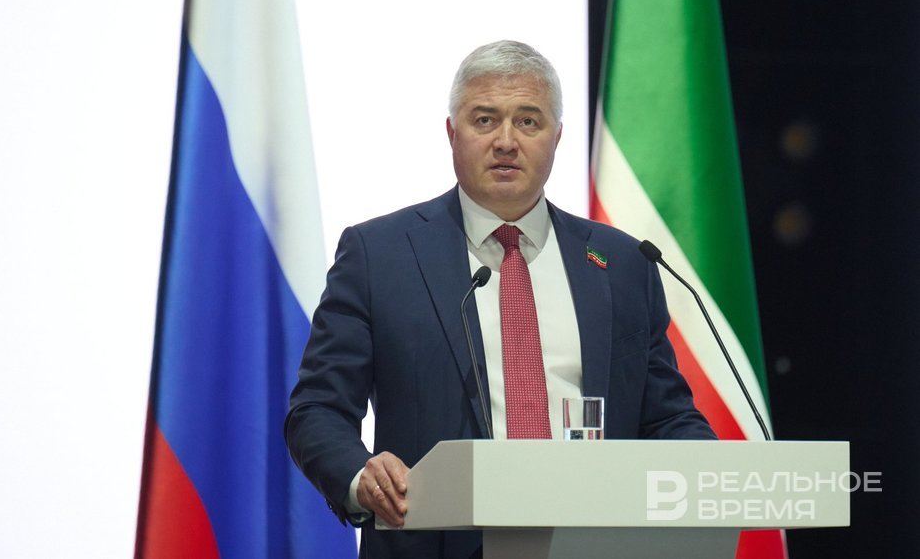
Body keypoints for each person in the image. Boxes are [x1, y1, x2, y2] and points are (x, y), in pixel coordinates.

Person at [285, 40, 715, 558]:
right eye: (485, 120)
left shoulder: (621, 263)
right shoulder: (379, 255)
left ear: (557, 137)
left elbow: (666, 417)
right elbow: (318, 408)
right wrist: (361, 477)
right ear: (452, 134)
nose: (506, 141)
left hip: (593, 543)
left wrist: (711, 475)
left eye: (528, 122)